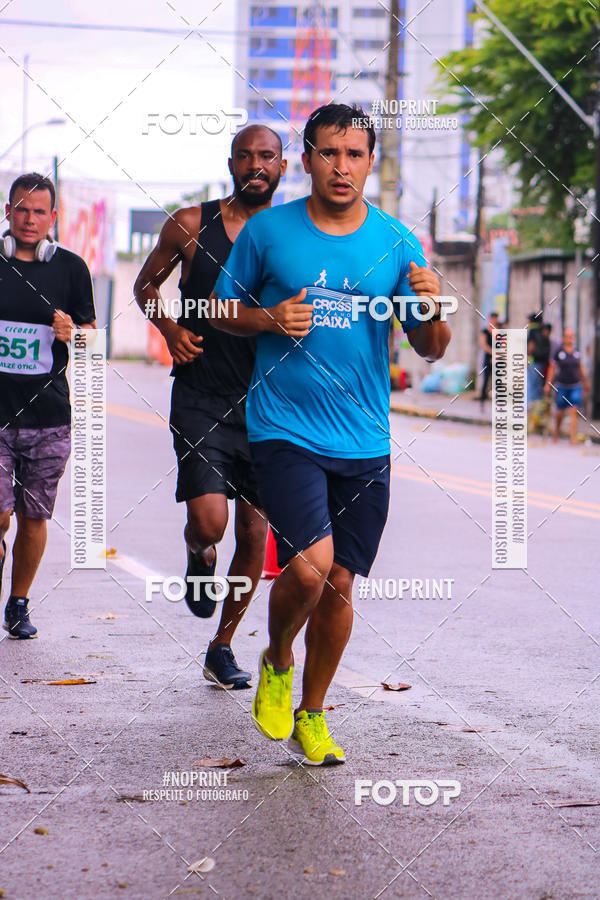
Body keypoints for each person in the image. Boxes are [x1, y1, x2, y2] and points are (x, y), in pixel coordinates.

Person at [209, 103, 450, 764]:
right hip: (284, 427)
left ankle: (313, 713)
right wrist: (266, 318)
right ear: (308, 159)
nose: (341, 167)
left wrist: (430, 307)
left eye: (354, 154)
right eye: (328, 153)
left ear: (371, 161)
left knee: (341, 581)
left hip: (365, 437)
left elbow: (429, 347)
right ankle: (277, 658)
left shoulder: (398, 243)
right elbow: (220, 308)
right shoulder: (269, 233)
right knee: (310, 568)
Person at [134, 125, 287, 690]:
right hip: (201, 392)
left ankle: (221, 646)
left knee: (253, 532)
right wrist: (169, 326)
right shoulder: (191, 224)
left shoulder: (292, 234)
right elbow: (146, 285)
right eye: (245, 156)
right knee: (211, 520)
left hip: (270, 403)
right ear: (230, 162)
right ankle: (199, 554)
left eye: (266, 157)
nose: (255, 165)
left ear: (282, 167)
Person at [0, 173, 96, 639]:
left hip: (49, 419)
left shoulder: (71, 269)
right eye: (22, 209)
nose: (30, 218)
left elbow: (92, 341)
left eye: (40, 211)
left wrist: (72, 334)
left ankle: (18, 603)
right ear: (8, 212)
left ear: (52, 218)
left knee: (33, 517)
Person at [544, 328, 589, 444]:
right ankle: (556, 433)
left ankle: (572, 438)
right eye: (567, 336)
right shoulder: (558, 351)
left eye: (571, 336)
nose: (569, 338)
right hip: (562, 385)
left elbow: (581, 368)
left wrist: (585, 382)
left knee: (574, 410)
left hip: (575, 385)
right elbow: (552, 368)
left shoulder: (577, 352)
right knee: (560, 412)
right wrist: (548, 384)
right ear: (563, 338)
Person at [527, 312, 550, 407]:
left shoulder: (532, 330)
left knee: (532, 386)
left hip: (534, 361)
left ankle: (531, 408)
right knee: (539, 385)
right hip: (543, 362)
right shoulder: (543, 330)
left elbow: (531, 346)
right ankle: (538, 407)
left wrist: (526, 358)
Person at [478, 311, 498, 403]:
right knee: (486, 378)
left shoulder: (499, 330)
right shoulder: (485, 330)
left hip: (498, 357)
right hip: (488, 357)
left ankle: (498, 397)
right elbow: (483, 344)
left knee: (499, 378)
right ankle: (483, 397)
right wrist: (493, 352)